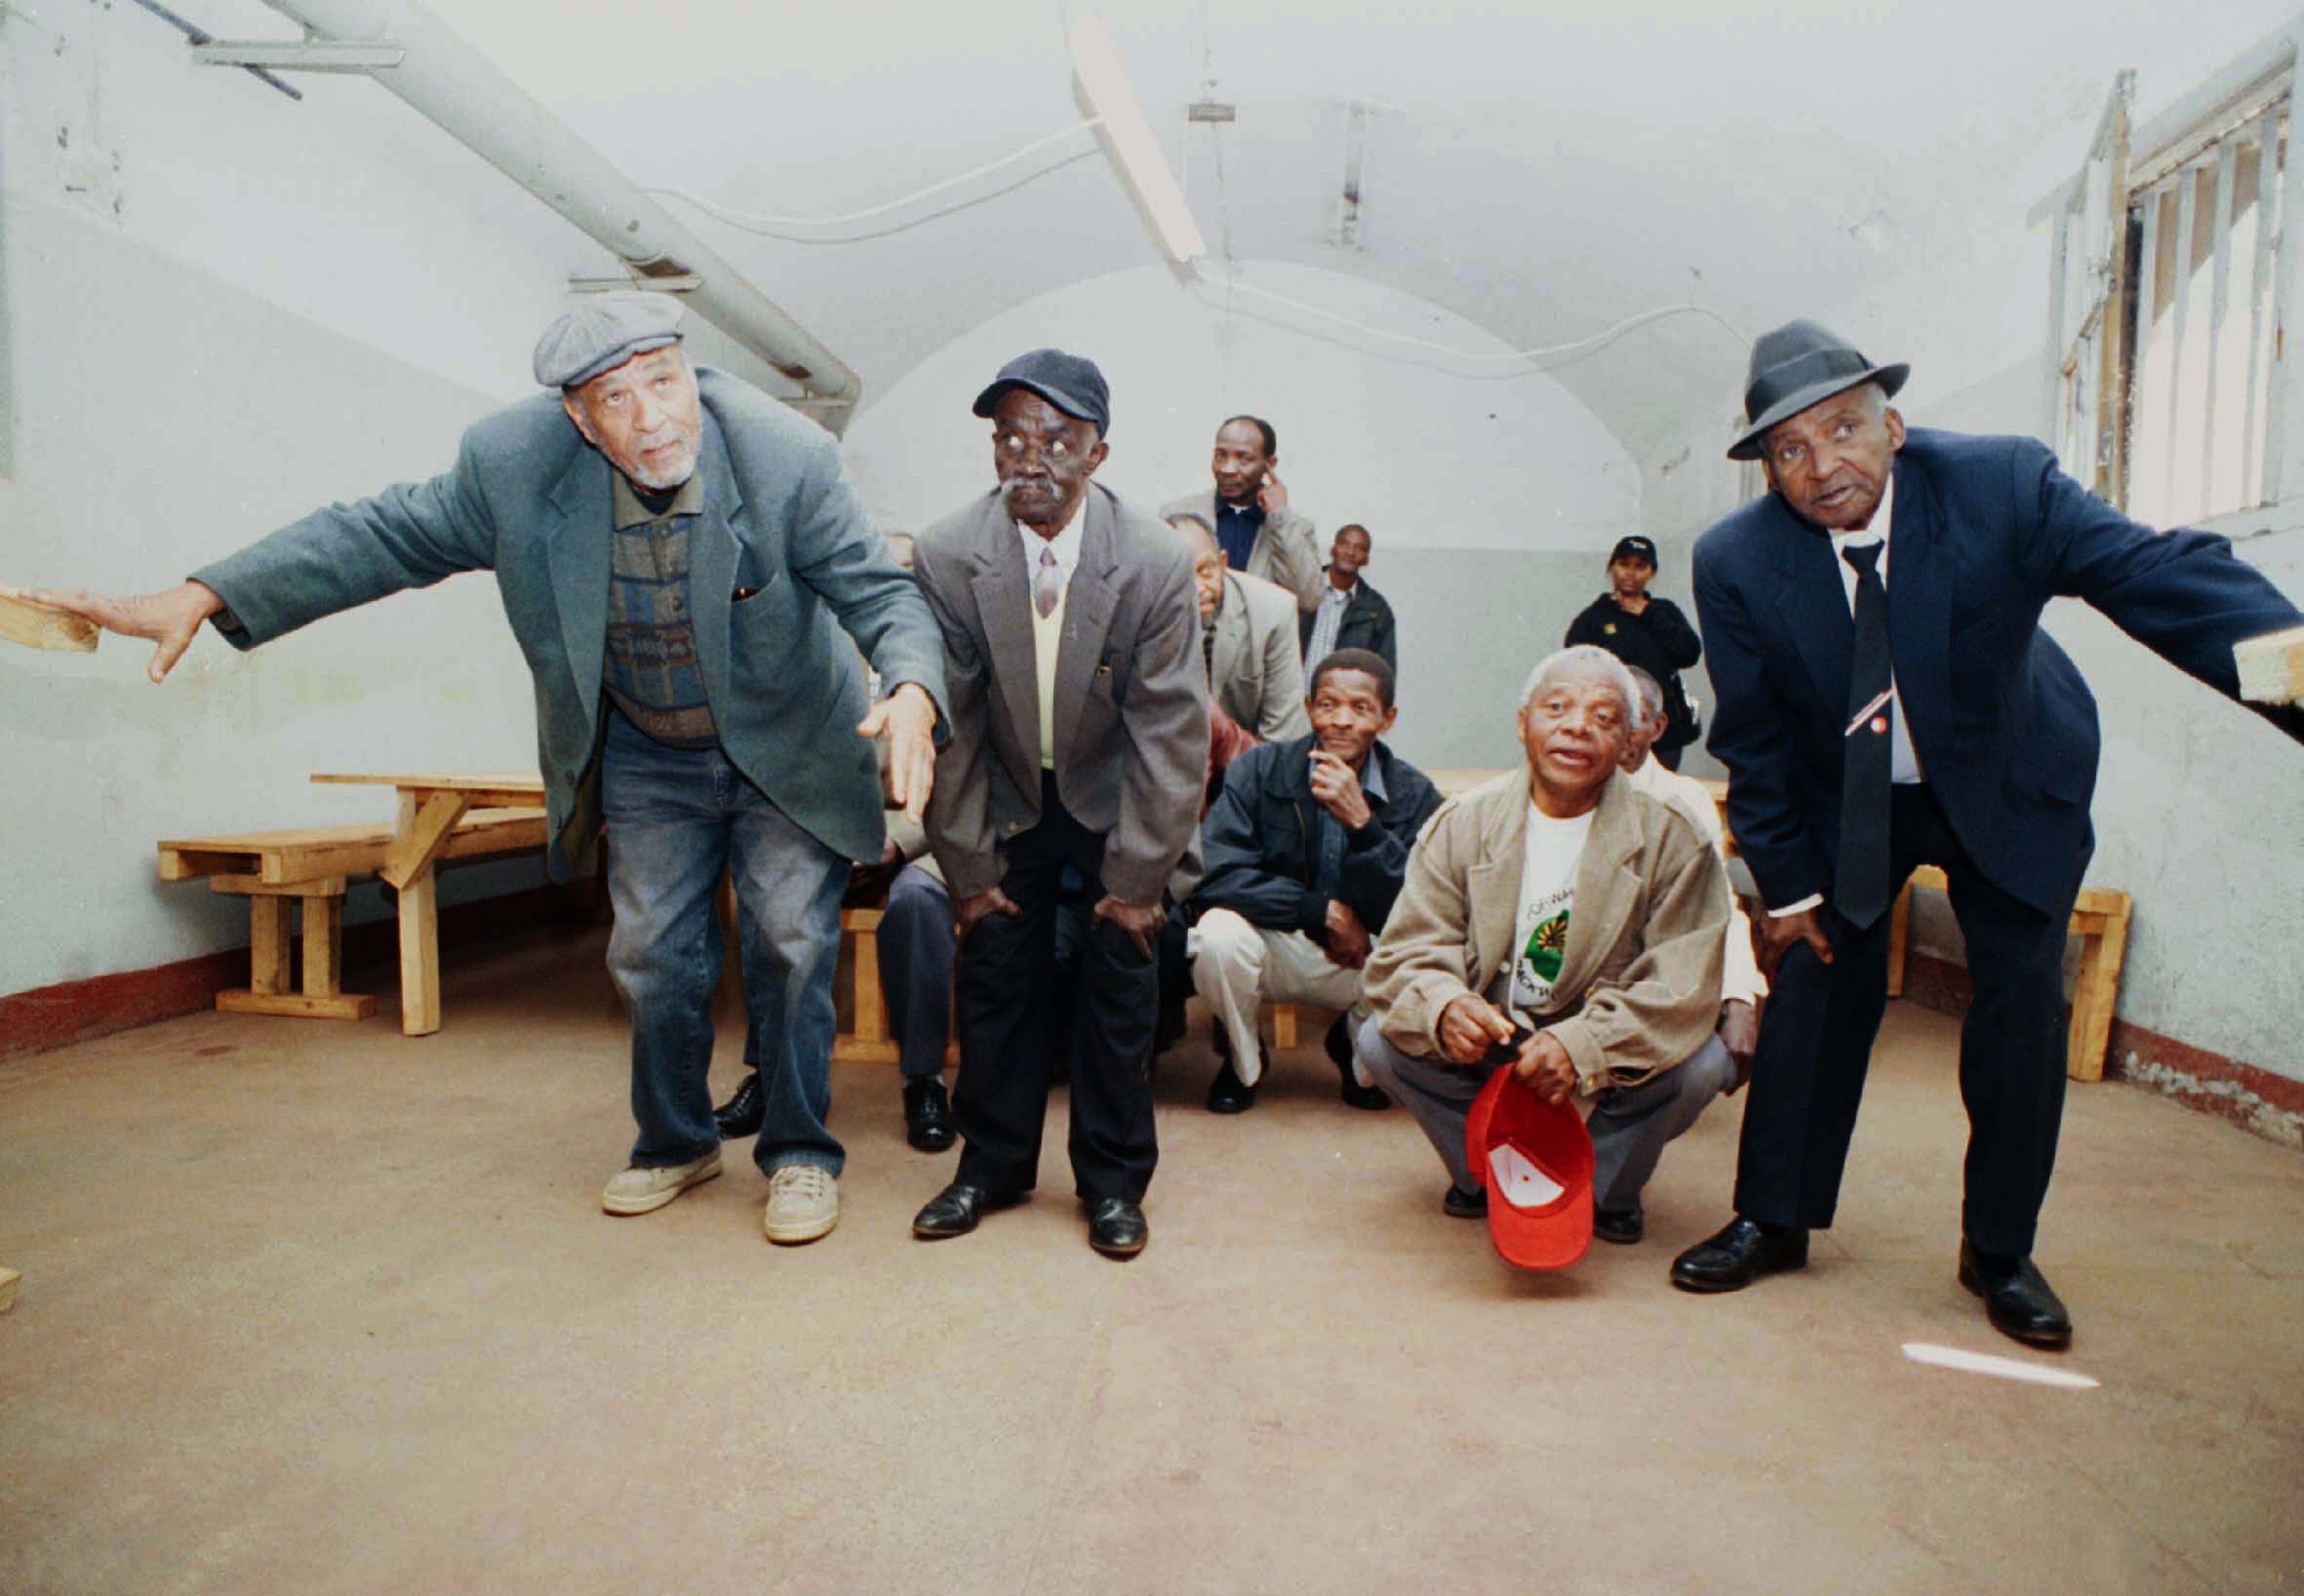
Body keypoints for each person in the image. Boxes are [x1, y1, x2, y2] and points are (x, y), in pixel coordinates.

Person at [41, 293, 946, 1246]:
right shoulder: (511, 468)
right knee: (650, 955)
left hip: (782, 743)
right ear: (577, 418)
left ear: (689, 371)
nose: (651, 419)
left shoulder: (784, 458)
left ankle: (800, 1152)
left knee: (792, 943)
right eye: (615, 398)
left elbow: (882, 593)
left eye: (663, 383)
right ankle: (675, 1141)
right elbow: (374, 534)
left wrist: (915, 686)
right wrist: (204, 592)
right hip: (646, 745)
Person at [1671, 319, 2304, 1348]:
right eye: (1790, 449)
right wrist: (1784, 893)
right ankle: (1773, 1217)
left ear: (1895, 424)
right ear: (1767, 471)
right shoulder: (1735, 560)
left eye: (1843, 429)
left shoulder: (2001, 484)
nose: (1822, 464)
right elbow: (1754, 734)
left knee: (2018, 1014)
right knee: (1819, 984)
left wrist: (2288, 659)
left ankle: (1999, 1250)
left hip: (2009, 774)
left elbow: (2147, 570)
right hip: (1852, 794)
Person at [908, 349, 1207, 1259]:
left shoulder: (1154, 560)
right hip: (1005, 789)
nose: (1028, 458)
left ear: (1098, 454)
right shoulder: (950, 551)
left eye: (1055, 440)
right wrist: (966, 869)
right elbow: (951, 718)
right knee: (996, 971)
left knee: (1120, 977)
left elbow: (1171, 734)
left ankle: (1113, 1185)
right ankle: (989, 1168)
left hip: (1115, 793)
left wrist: (1137, 881)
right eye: (1009, 438)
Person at [1358, 646, 1731, 1245]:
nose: (1578, 726)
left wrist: (1581, 1042)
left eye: (1604, 717)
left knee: (1702, 1063)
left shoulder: (1671, 839)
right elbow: (1408, 950)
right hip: (1495, 1029)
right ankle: (1486, 1175)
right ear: (1522, 721)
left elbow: (1681, 982)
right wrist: (1446, 1005)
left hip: (1605, 1033)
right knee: (1381, 1041)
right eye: (1556, 707)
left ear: (1632, 739)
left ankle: (1605, 1190)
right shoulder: (1464, 824)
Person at [713, 530, 958, 1155]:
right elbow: (791, 757)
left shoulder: (953, 657)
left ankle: (923, 1078)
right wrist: (829, 831)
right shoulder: (820, 649)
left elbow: (967, 780)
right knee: (772, 896)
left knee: (917, 908)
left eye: (908, 572)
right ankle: (770, 1074)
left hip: (929, 836)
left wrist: (896, 840)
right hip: (837, 827)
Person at [1187, 648, 1440, 1115]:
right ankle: (1245, 1063)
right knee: (1216, 936)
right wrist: (1317, 911)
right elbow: (1213, 873)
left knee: (1421, 958)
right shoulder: (1259, 770)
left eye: (1361, 708)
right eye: (1327, 705)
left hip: (1360, 959)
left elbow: (1425, 906)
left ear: (1387, 719)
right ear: (1309, 709)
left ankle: (1353, 1049)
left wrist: (1364, 826)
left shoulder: (1415, 794)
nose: (1341, 720)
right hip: (1275, 944)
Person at [1619, 666, 1767, 1089]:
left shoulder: (1686, 799)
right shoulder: (1572, 793)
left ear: (1658, 727)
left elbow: (1720, 904)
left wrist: (1739, 997)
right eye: (1610, 717)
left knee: (1700, 1067)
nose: (1624, 732)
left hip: (1662, 974)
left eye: (1637, 718)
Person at [1564, 535, 1703, 770]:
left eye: (1640, 566)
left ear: (1652, 573)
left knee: (1660, 795)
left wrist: (1649, 614)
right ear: (1611, 568)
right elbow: (1574, 666)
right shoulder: (1594, 618)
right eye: (1624, 564)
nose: (1631, 572)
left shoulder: (1664, 611)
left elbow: (1689, 653)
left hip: (1663, 731)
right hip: (1609, 728)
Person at [1171, 512, 1311, 741]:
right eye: (1182, 574)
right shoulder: (1140, 607)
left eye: (1206, 570)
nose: (1199, 588)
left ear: (1223, 562)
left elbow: (1282, 735)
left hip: (1247, 760)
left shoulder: (1274, 611)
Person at [1160, 416, 1324, 611]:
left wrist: (1280, 517)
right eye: (1221, 455)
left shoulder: (1294, 529)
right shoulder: (1178, 516)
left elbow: (1308, 600)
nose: (1227, 469)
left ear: (1269, 464)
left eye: (1243, 458)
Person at [1298, 523, 1398, 675]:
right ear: (1333, 549)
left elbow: (1384, 674)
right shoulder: (1302, 587)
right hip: (1293, 696)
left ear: (1366, 560)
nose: (1351, 551)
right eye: (1345, 544)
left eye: (1360, 548)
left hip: (1342, 697)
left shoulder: (1377, 610)